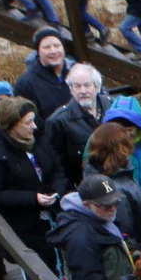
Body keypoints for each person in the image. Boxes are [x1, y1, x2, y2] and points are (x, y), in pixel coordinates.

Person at [0, 94, 60, 274]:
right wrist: (32, 199)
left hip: (51, 217)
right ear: (12, 125)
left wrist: (57, 191)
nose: (34, 126)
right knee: (38, 275)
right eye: (28, 122)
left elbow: (56, 168)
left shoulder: (38, 139)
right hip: (23, 226)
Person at [41, 63, 104, 192]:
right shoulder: (58, 121)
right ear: (71, 89)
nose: (83, 91)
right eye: (77, 86)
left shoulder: (112, 106)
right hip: (84, 188)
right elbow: (57, 166)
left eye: (87, 85)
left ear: (97, 87)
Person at [15, 27, 73, 123]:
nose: (53, 51)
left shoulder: (76, 75)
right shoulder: (26, 83)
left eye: (57, 46)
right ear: (38, 51)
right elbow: (29, 120)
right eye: (46, 47)